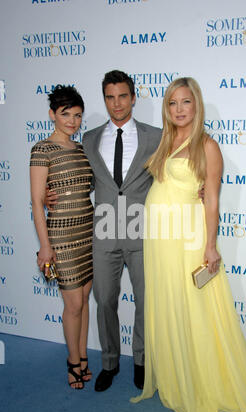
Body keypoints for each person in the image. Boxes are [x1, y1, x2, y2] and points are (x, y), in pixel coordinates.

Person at [131, 77, 246, 412]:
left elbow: (211, 201)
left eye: (185, 102)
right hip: (160, 241)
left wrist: (210, 245)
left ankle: (203, 381)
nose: (178, 109)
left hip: (187, 242)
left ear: (197, 105)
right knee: (172, 306)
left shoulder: (207, 145)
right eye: (172, 103)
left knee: (196, 310)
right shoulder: (165, 142)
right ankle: (176, 376)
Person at [82, 70, 162, 391]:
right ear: (104, 99)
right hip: (103, 234)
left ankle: (141, 360)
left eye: (123, 96)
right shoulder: (89, 139)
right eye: (110, 97)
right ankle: (110, 362)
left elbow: (170, 178)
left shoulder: (155, 137)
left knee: (145, 301)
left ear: (133, 97)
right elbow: (86, 182)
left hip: (142, 233)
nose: (116, 104)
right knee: (105, 301)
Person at [30, 85, 93, 390]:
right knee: (73, 305)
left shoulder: (81, 149)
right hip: (61, 235)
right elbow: (36, 200)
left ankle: (82, 358)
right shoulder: (42, 149)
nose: (72, 121)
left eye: (77, 115)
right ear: (52, 114)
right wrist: (45, 246)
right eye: (65, 114)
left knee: (84, 300)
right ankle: (72, 363)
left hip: (88, 232)